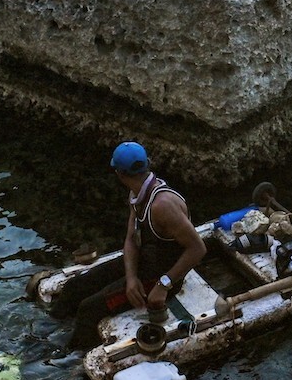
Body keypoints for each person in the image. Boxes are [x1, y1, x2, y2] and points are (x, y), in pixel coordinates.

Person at [50, 141, 207, 348]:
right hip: (144, 263)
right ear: (147, 163)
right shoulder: (136, 194)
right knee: (74, 287)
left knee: (89, 309)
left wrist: (163, 285)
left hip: (163, 277)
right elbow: (132, 239)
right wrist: (131, 277)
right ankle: (47, 334)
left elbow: (198, 249)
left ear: (119, 174)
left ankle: (70, 355)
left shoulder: (162, 206)